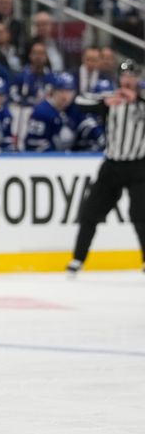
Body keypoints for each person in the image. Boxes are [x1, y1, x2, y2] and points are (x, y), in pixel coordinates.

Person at [67, 60, 145, 275]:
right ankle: (77, 259)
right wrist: (104, 102)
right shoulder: (109, 98)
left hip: (138, 166)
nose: (128, 80)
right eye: (124, 76)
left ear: (138, 79)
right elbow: (80, 101)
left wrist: (137, 99)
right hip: (112, 165)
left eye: (132, 76)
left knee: (140, 214)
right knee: (90, 213)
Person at [24, 72, 103, 152]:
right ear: (52, 92)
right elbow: (35, 146)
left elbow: (91, 130)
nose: (65, 96)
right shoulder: (41, 112)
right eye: (61, 91)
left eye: (69, 91)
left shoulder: (75, 109)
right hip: (46, 160)